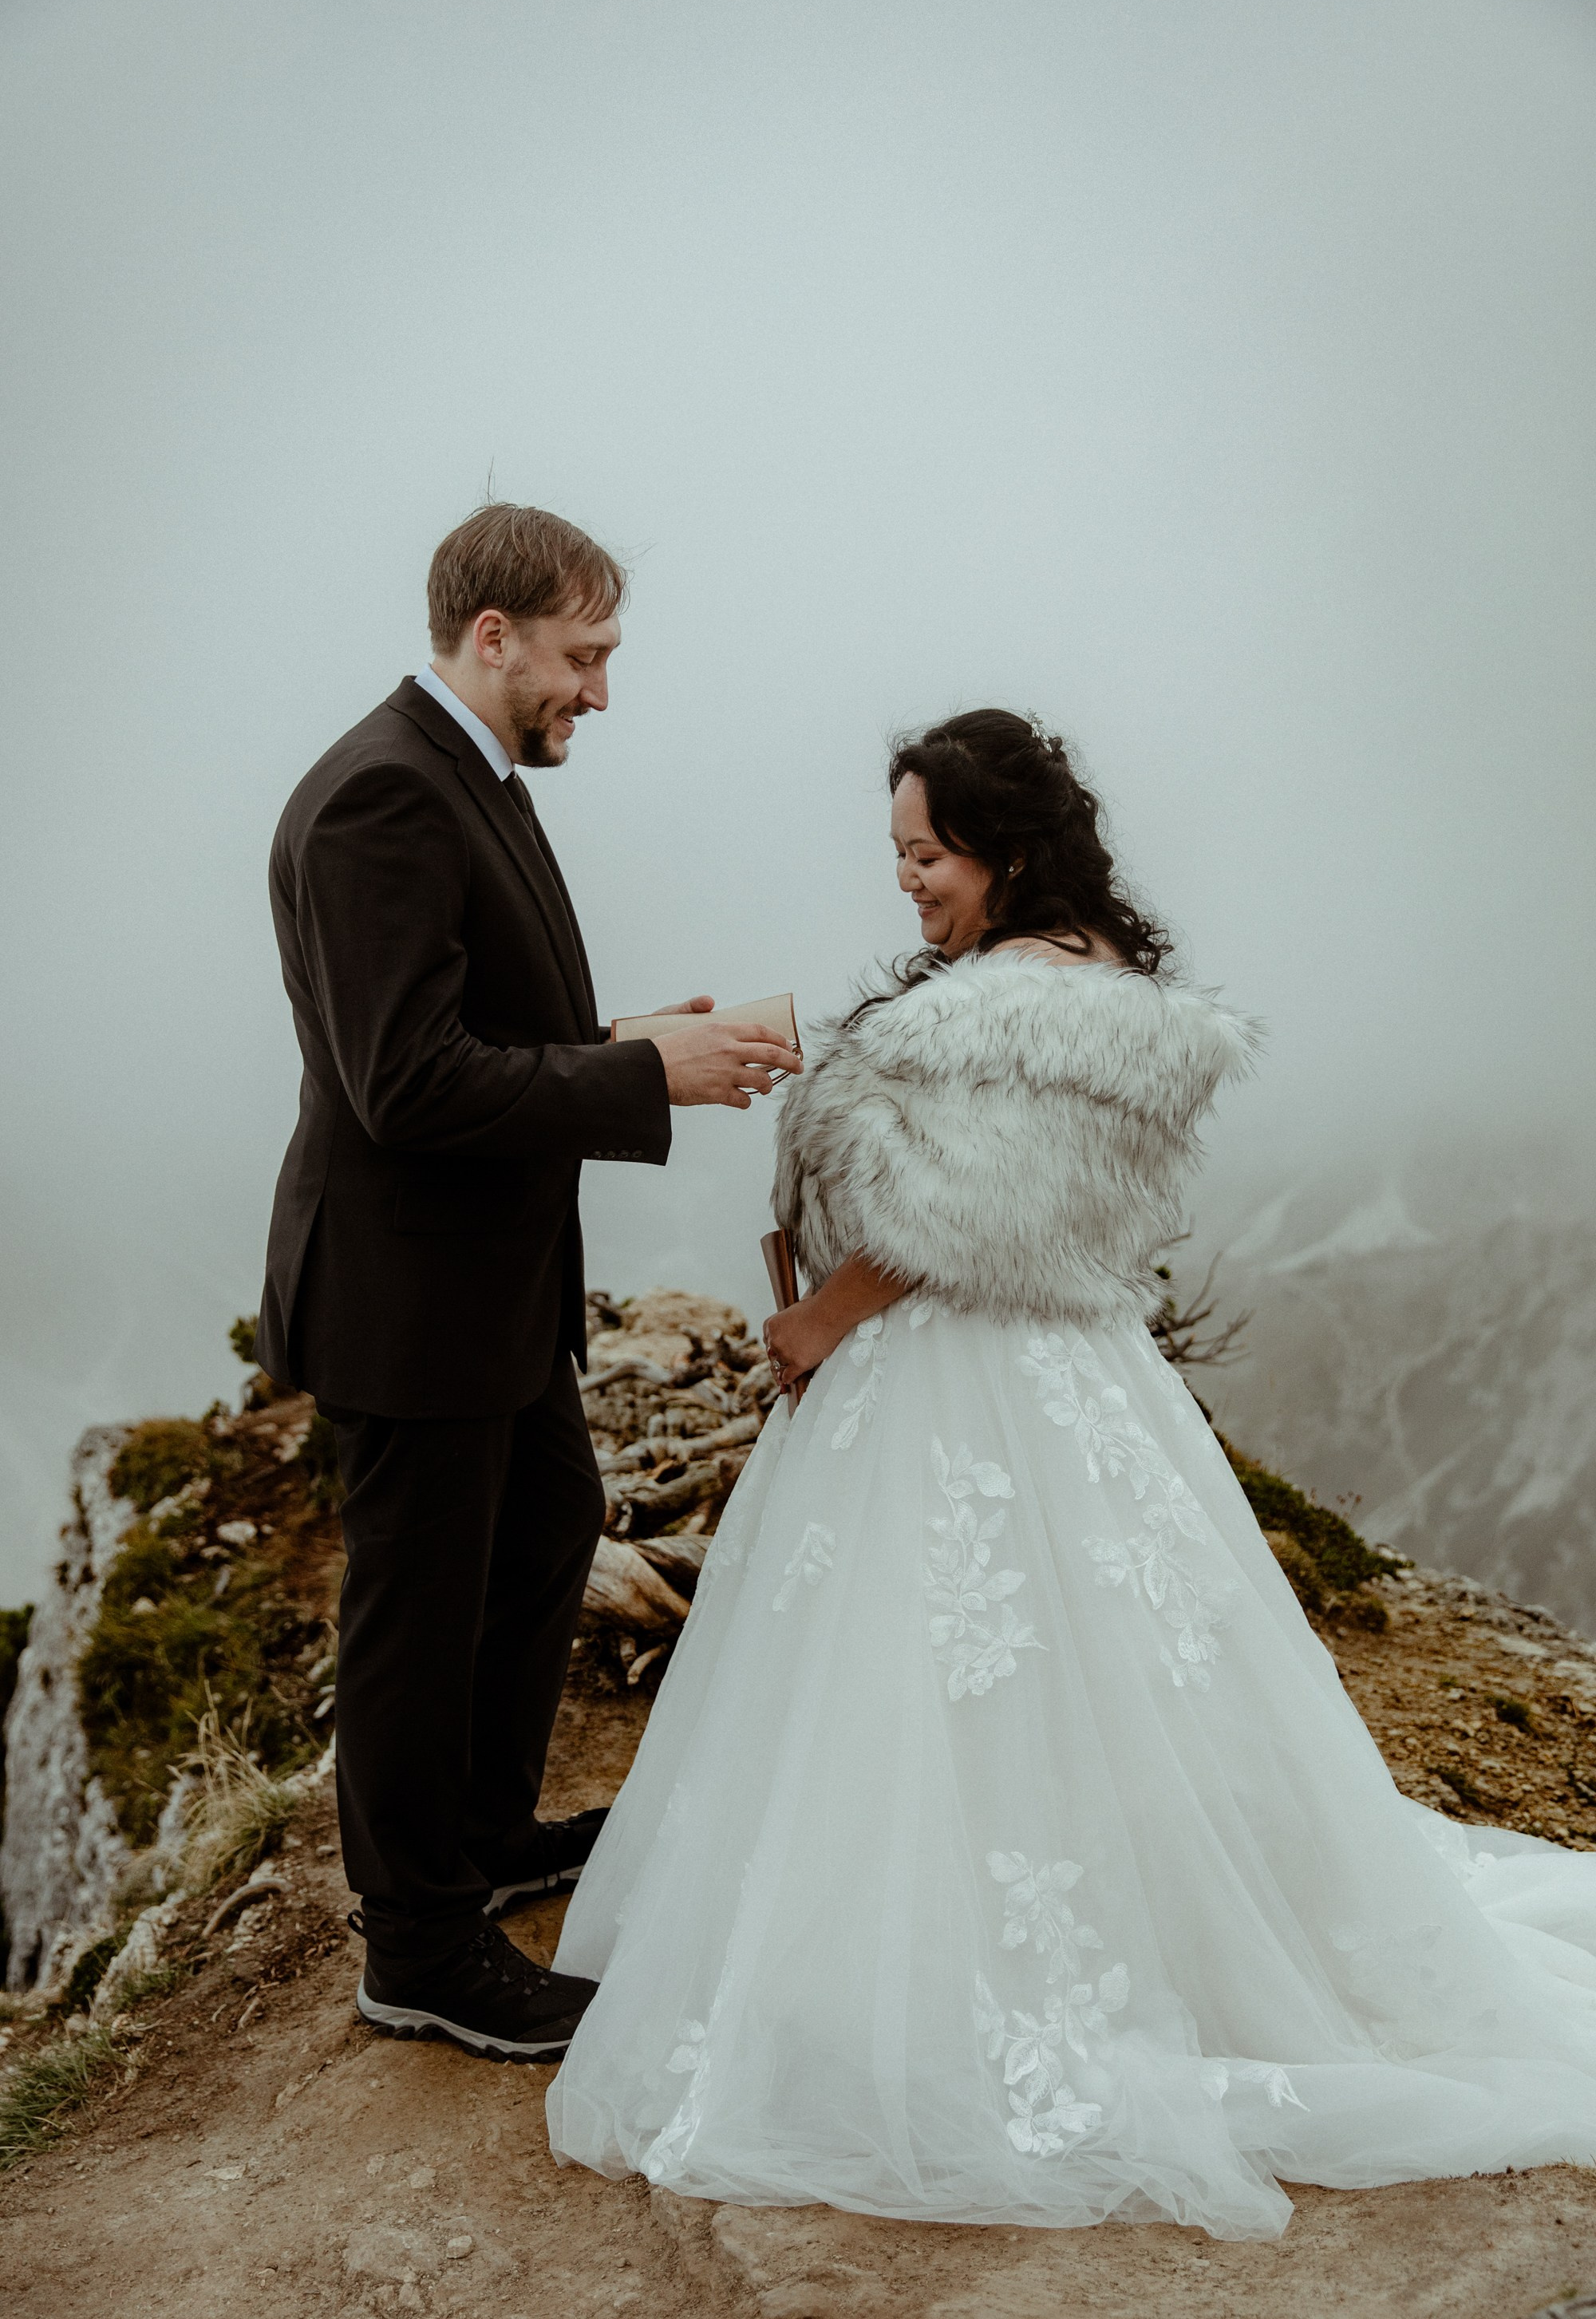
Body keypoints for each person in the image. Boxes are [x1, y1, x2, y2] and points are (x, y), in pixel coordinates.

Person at [546, 709, 1596, 2238]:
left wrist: (808, 1328)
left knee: (950, 1672)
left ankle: (942, 1973)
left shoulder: (1001, 1010)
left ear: (1008, 851)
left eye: (927, 855)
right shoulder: (1103, 993)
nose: (906, 884)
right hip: (1076, 1377)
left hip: (952, 1382)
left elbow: (940, 1225)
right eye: (899, 855)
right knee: (1091, 1675)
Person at [253, 502, 798, 2063]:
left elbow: (457, 1024)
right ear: (490, 637)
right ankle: (417, 1947)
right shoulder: (382, 799)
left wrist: (627, 1041)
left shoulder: (457, 775)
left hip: (483, 1291)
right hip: (408, 1300)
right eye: (584, 656)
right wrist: (643, 1084)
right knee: (414, 1611)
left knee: (550, 1524)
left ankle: (478, 1840)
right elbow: (403, 1086)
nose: (600, 693)